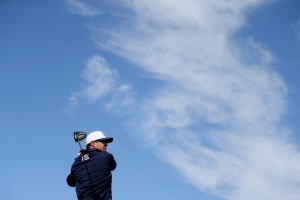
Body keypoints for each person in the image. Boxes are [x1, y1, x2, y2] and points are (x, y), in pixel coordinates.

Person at [67, 131, 117, 200]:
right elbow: (113, 166)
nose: (106, 144)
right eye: (103, 142)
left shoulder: (77, 162)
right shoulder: (106, 156)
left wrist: (81, 157)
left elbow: (70, 182)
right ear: (93, 143)